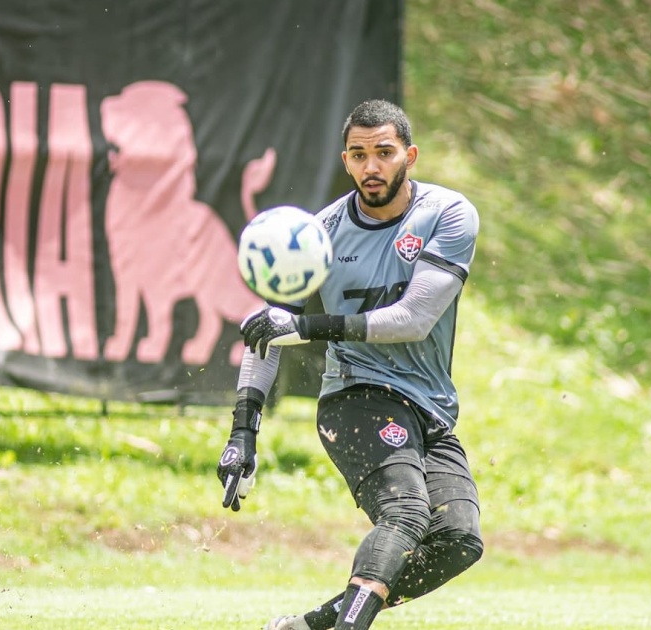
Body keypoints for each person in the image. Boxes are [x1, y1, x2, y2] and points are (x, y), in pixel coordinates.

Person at [216, 99, 484, 630]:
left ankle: (309, 626)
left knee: (458, 538)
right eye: (359, 155)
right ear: (346, 160)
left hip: (428, 406)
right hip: (355, 396)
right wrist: (242, 432)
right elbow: (268, 333)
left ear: (410, 155)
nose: (371, 166)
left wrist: (308, 327)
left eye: (384, 152)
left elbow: (413, 319)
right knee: (405, 514)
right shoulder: (318, 234)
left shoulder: (448, 214)